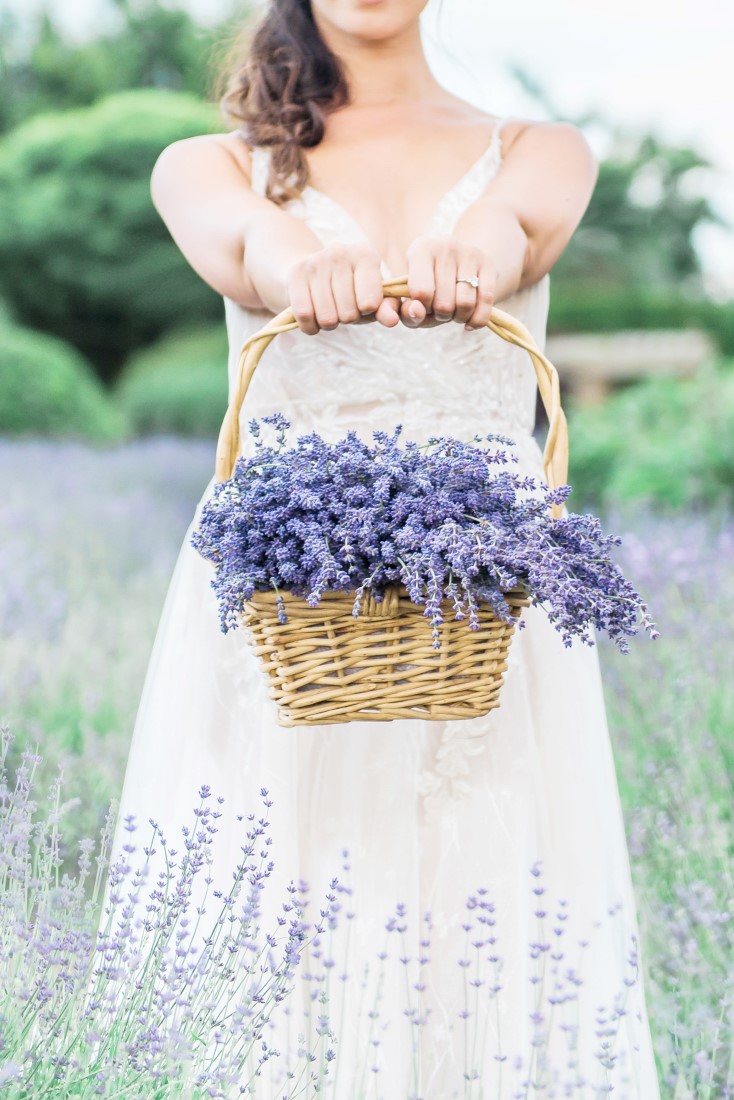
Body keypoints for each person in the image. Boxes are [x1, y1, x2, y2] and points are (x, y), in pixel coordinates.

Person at [99, 1, 662, 1096]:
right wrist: (287, 254)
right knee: (282, 917)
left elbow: (519, 225)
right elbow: (241, 243)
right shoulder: (208, 163)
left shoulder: (537, 151)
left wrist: (483, 248)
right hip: (289, 604)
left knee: (491, 908)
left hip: (486, 601)